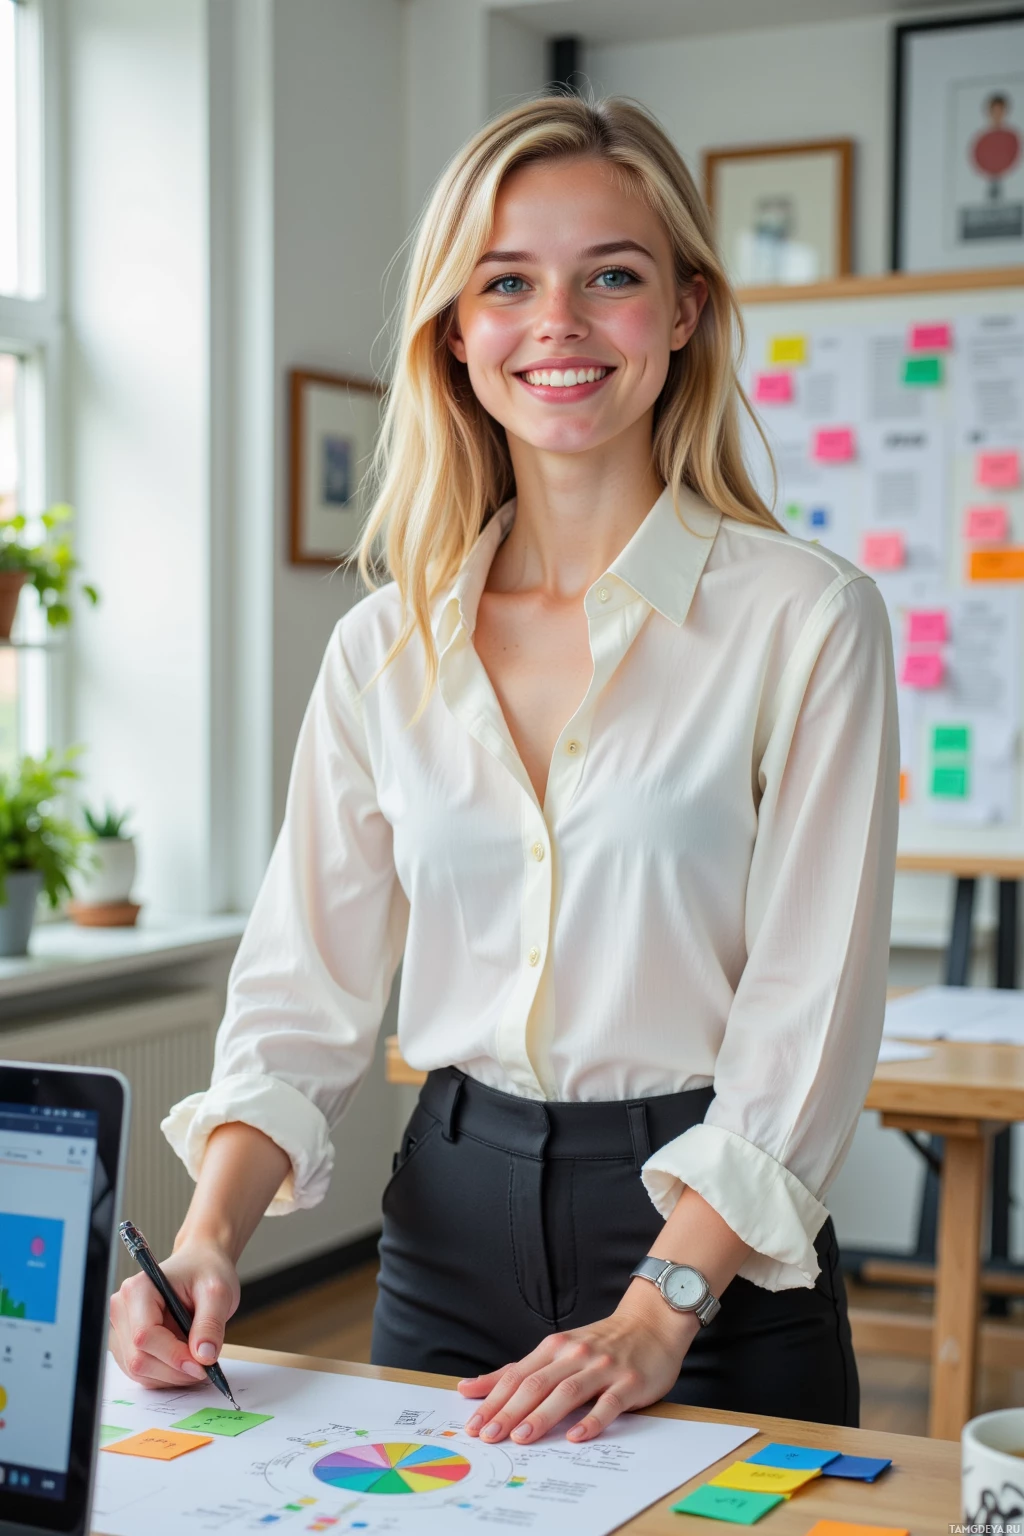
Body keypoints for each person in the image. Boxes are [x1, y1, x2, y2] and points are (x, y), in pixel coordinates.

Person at [108, 95, 899, 1443]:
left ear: (688, 310)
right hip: (446, 1224)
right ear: (457, 331)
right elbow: (303, 991)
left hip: (706, 1247)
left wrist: (661, 1305)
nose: (560, 324)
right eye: (508, 283)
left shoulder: (806, 618)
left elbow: (807, 1013)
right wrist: (207, 1240)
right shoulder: (383, 647)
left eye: (613, 276)